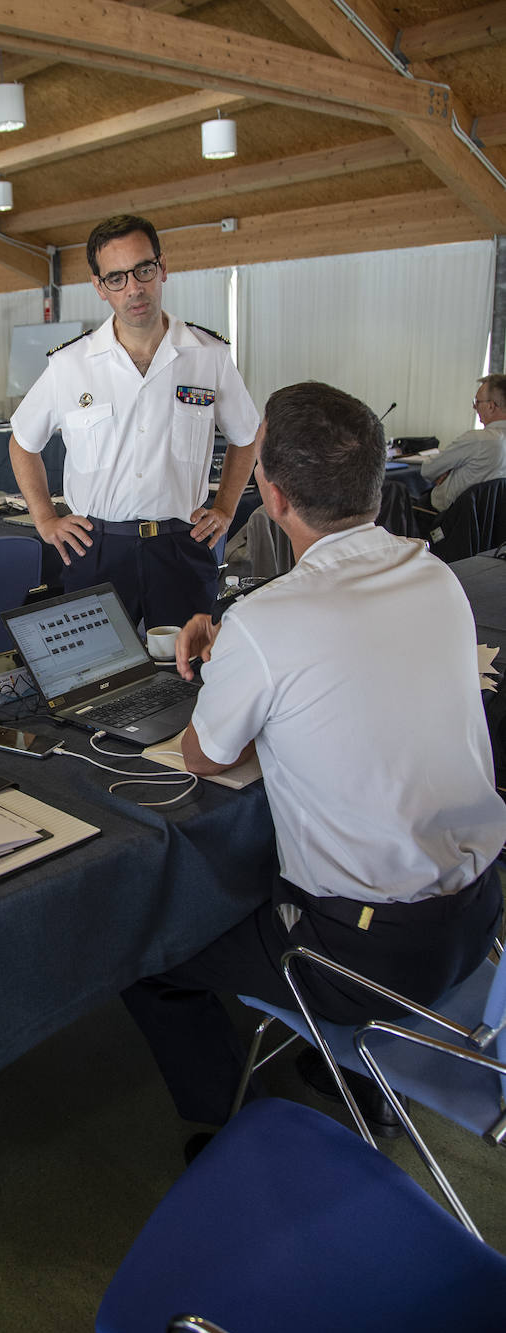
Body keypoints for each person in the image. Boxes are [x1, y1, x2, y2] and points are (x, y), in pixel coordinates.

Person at [122, 381, 506, 1139]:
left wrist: (230, 655)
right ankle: (356, 1084)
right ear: (376, 479)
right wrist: (246, 647)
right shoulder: (435, 575)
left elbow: (203, 755)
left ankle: (223, 1131)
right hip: (477, 919)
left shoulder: (269, 620)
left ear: (270, 492)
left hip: (364, 955)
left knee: (151, 953)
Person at [9, 214, 259, 629]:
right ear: (99, 287)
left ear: (162, 267)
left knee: (188, 673)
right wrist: (45, 518)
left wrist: (226, 507)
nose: (134, 288)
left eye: (143, 270)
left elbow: (247, 436)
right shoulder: (71, 364)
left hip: (182, 545)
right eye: (116, 278)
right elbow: (22, 442)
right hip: (97, 548)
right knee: (96, 678)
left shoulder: (207, 355)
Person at [420, 373, 506, 512]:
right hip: (494, 525)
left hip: (445, 520)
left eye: (477, 402)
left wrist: (449, 471)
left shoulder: (477, 440)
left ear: (491, 406)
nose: (474, 407)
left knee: (397, 495)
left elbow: (427, 471)